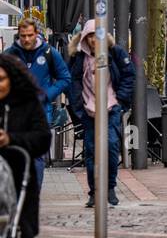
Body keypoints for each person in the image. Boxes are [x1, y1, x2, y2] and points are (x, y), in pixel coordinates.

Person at [0, 53, 51, 238]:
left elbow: (43, 138)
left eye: (2, 80)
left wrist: (11, 139)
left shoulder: (27, 104)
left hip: (20, 186)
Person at [68, 19, 135, 209]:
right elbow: (72, 81)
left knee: (112, 146)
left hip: (111, 107)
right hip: (89, 111)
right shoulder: (79, 57)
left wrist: (120, 100)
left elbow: (129, 74)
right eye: (88, 36)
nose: (92, 40)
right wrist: (78, 107)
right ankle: (94, 191)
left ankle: (110, 186)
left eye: (95, 36)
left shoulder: (115, 53)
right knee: (91, 152)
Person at [5, 20, 70, 187]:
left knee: (36, 154)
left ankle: (34, 191)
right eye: (23, 36)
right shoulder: (10, 54)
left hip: (41, 111)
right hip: (15, 112)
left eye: (30, 35)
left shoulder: (49, 53)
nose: (26, 39)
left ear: (36, 34)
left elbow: (65, 78)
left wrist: (47, 95)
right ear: (18, 35)